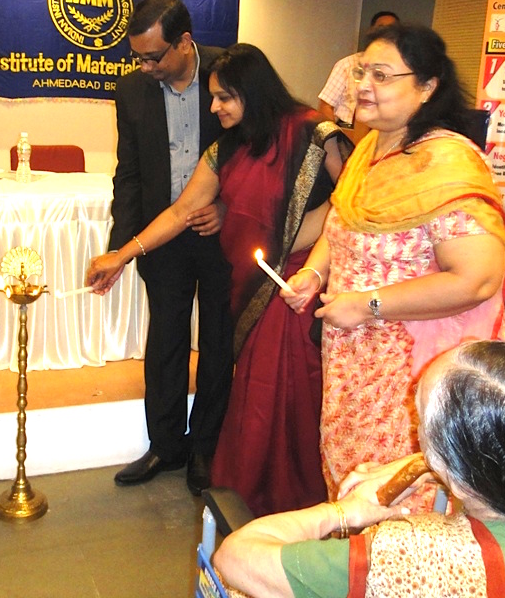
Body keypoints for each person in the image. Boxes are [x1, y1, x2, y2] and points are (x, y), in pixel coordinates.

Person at [89, 43, 352, 515]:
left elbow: (355, 202)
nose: (215, 108)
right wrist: (122, 254)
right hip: (253, 280)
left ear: (253, 93)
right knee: (255, 385)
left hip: (300, 286)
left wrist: (317, 262)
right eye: (212, 97)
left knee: (289, 387)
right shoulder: (226, 147)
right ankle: (253, 488)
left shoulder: (315, 134)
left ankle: (301, 492)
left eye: (224, 98)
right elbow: (181, 211)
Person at [212, 340, 505, 598]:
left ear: (457, 471)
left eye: (420, 421)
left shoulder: (415, 554)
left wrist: (344, 513)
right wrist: (428, 465)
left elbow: (235, 558)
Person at [284, 23, 505, 508]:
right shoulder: (372, 145)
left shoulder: (444, 162)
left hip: (411, 370)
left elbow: (478, 278)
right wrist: (315, 272)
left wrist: (367, 305)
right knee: (353, 479)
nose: (363, 85)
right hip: (353, 357)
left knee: (399, 490)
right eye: (362, 71)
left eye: (383, 76)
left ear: (427, 87)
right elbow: (344, 220)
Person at [103, 0, 234, 497]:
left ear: (184, 42)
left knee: (219, 342)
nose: (145, 66)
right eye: (137, 57)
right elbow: (129, 174)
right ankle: (166, 445)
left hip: (218, 234)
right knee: (165, 341)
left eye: (153, 56)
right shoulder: (132, 90)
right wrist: (122, 248)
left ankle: (205, 448)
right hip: (162, 236)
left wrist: (228, 207)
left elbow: (257, 155)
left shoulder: (228, 72)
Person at [317, 10, 399, 128]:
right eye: (381, 28)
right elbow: (326, 105)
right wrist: (335, 138)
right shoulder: (346, 65)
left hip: (382, 131)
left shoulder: (400, 70)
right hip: (348, 131)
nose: (386, 33)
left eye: (391, 29)